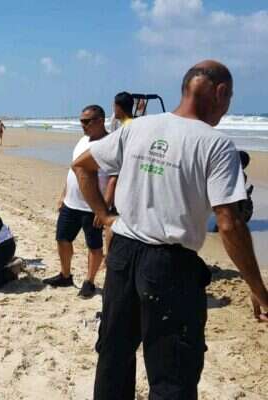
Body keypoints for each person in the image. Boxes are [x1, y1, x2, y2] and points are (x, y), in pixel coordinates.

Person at [72, 60, 268, 399]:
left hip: (121, 258)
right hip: (170, 268)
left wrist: (104, 215)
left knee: (114, 358)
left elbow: (81, 166)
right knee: (172, 376)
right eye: (230, 96)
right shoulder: (216, 144)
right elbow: (229, 222)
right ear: (220, 92)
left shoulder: (138, 127)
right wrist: (258, 289)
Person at [43, 105, 117, 298]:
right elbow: (73, 170)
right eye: (81, 121)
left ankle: (89, 282)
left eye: (86, 121)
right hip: (71, 203)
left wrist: (104, 209)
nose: (82, 125)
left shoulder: (110, 144)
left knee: (94, 246)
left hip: (92, 207)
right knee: (62, 239)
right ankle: (65, 275)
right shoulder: (82, 140)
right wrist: (63, 194)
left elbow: (114, 178)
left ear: (100, 121)